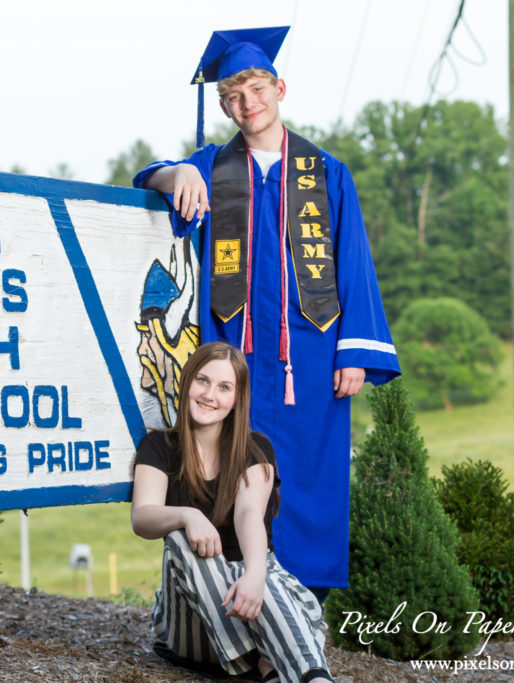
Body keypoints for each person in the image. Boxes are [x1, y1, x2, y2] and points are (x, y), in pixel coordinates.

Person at [133, 26, 401, 603]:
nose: (246, 103)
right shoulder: (210, 168)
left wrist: (355, 349)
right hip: (234, 356)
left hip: (312, 358)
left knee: (310, 475)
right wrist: (175, 172)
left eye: (255, 89)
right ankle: (233, 597)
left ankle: (305, 606)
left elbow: (352, 261)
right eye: (232, 96)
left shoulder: (325, 173)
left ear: (279, 88)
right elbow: (146, 176)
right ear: (225, 104)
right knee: (233, 471)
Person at [131, 341, 331, 683]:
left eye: (224, 387)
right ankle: (261, 664)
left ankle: (315, 678)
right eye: (203, 381)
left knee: (263, 573)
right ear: (187, 382)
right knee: (180, 541)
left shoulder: (255, 448)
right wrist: (188, 516)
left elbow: (249, 514)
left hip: (260, 599)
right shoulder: (159, 446)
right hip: (194, 623)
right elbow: (143, 516)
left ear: (237, 398)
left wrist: (254, 577)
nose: (210, 394)